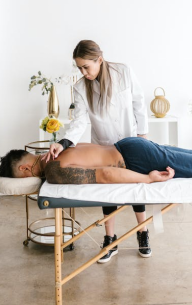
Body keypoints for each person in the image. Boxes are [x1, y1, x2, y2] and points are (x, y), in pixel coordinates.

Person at [42, 39, 150, 262]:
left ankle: (143, 232)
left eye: (86, 67)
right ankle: (110, 238)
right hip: (103, 145)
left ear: (99, 59)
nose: (83, 72)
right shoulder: (80, 87)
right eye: (79, 67)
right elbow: (79, 121)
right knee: (107, 191)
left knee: (137, 186)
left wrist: (143, 135)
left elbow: (139, 102)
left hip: (131, 141)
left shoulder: (124, 71)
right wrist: (62, 143)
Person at [0, 137, 192, 188]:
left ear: (24, 168)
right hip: (128, 145)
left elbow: (104, 174)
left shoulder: (54, 170)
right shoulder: (59, 149)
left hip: (134, 158)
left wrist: (147, 178)